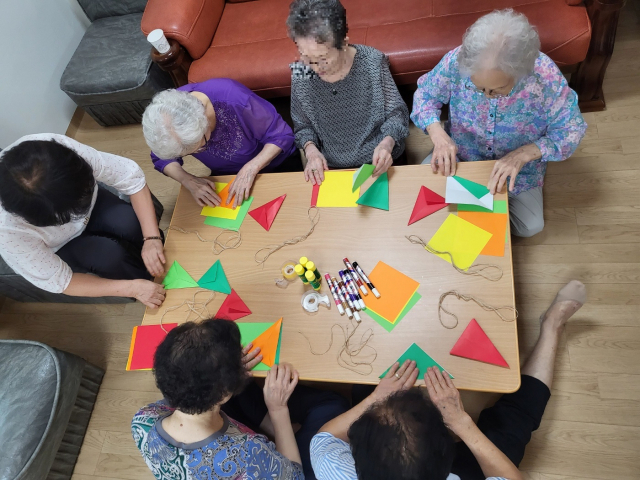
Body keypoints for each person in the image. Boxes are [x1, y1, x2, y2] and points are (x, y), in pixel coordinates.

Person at [310, 280, 587, 480]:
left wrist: (376, 398)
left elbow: (323, 438)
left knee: (372, 379)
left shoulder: (336, 471)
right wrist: (463, 424)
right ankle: (553, 325)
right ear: (447, 455)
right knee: (518, 419)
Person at [411, 10, 587, 237]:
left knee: (530, 226)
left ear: (520, 72)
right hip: (461, 156)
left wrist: (523, 154)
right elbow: (425, 96)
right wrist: (437, 135)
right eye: (478, 88)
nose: (486, 95)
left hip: (516, 169)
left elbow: (571, 131)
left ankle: (477, 216)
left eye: (496, 90)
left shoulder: (545, 77)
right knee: (417, 193)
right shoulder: (458, 60)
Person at [132, 318, 349, 480]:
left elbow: (191, 387)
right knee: (332, 404)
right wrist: (278, 410)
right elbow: (294, 474)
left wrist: (220, 371)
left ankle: (273, 426)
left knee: (243, 392)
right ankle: (280, 427)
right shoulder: (248, 454)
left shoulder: (142, 420)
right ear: (224, 392)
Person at [0, 134, 166, 308]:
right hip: (62, 243)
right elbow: (61, 281)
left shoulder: (57, 153)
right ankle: (147, 281)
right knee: (109, 257)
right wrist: (132, 288)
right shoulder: (7, 230)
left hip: (95, 204)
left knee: (128, 221)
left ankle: (160, 252)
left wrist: (152, 238)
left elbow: (130, 178)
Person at [287, 0, 410, 186]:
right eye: (305, 55)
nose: (314, 67)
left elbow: (397, 114)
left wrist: (387, 143)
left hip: (381, 161)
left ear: (343, 43)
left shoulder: (372, 62)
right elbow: (303, 126)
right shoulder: (301, 71)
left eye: (323, 58)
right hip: (333, 169)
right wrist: (311, 151)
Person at [142, 78, 301, 208]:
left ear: (204, 124)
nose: (198, 152)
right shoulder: (166, 120)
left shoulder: (234, 98)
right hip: (227, 177)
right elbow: (161, 157)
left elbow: (282, 135)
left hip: (275, 162)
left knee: (293, 207)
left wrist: (251, 168)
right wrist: (187, 180)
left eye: (199, 148)